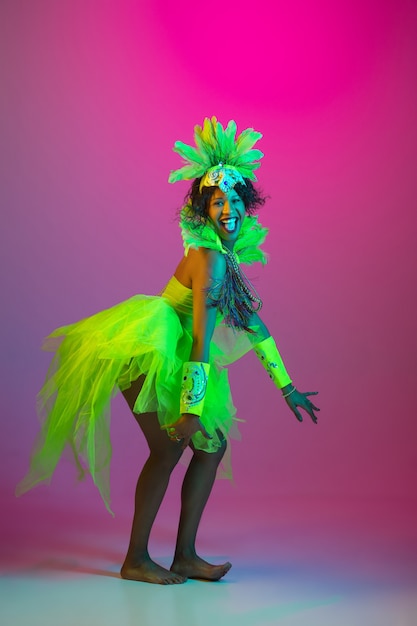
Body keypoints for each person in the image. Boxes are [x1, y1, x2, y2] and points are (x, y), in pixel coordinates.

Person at [16, 117, 319, 585]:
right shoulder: (210, 259)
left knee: (211, 449)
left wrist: (288, 387)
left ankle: (184, 556)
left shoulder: (227, 259)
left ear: (248, 205)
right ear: (204, 208)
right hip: (151, 350)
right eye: (218, 202)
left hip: (177, 356)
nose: (229, 209)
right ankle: (136, 559)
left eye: (236, 200)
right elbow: (199, 341)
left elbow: (253, 325)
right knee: (171, 445)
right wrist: (192, 408)